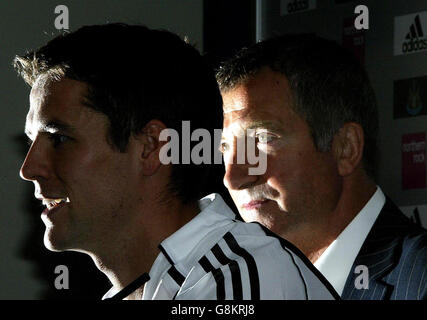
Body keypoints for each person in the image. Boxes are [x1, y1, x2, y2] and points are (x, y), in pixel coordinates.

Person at [15, 24, 338, 300]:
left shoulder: (239, 278)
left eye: (58, 138)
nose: (29, 169)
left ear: (152, 146)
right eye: (32, 142)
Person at [216, 34, 427, 300]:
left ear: (345, 148)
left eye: (262, 140)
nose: (232, 178)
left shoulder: (419, 282)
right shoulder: (232, 290)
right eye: (225, 147)